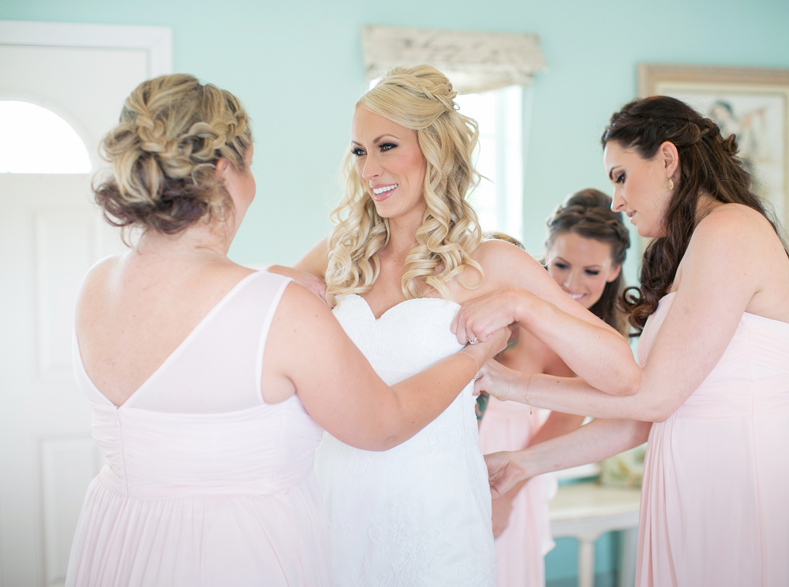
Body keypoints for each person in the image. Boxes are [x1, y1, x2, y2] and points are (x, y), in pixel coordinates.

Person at [65, 74, 510, 587]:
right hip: (237, 555)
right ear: (225, 171)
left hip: (118, 543)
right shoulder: (276, 307)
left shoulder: (96, 286)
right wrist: (477, 355)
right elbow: (384, 424)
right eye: (250, 167)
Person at [467, 95, 789, 587]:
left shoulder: (731, 229)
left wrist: (512, 384)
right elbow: (641, 418)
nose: (616, 199)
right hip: (691, 475)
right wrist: (522, 463)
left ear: (667, 159)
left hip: (740, 477)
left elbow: (653, 397)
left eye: (620, 175)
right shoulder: (692, 248)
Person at [293, 65, 640, 587]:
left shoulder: (490, 263)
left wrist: (523, 304)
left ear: (435, 151)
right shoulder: (341, 254)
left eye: (387, 146)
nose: (369, 169)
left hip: (437, 521)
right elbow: (267, 329)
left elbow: (621, 374)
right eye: (360, 151)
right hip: (330, 507)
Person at [478, 190, 631, 587]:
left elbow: (566, 419)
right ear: (544, 251)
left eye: (591, 272)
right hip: (467, 450)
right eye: (560, 264)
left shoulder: (600, 341)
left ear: (614, 270)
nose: (570, 284)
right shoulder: (510, 304)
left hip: (513, 468)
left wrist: (506, 494)